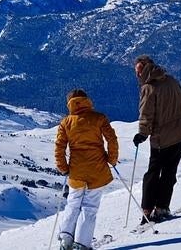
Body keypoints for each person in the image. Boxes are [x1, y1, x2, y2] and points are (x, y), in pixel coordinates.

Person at [132, 55, 181, 224]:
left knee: (153, 173)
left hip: (162, 137)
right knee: (169, 171)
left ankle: (147, 209)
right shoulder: (171, 80)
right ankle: (162, 207)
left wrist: (142, 134)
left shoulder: (149, 87)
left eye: (138, 70)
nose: (137, 74)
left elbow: (146, 113)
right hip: (180, 132)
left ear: (146, 68)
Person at [55, 89, 119, 250]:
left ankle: (65, 239)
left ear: (70, 103)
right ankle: (81, 244)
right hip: (97, 169)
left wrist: (63, 168)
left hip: (76, 170)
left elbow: (59, 147)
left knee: (73, 203)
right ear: (86, 100)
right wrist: (111, 159)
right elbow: (111, 139)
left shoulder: (66, 122)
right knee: (89, 207)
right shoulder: (99, 118)